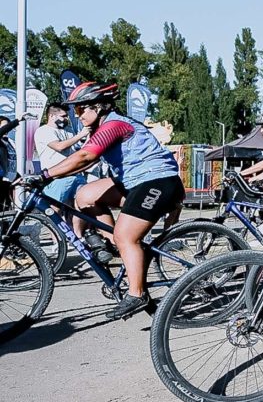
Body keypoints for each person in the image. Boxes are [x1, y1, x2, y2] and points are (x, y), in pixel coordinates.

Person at [24, 82, 184, 320]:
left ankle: (137, 293)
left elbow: (85, 156)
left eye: (80, 110)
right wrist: (50, 177)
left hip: (158, 181)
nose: (76, 116)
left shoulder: (114, 124)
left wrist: (45, 175)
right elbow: (87, 161)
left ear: (98, 107)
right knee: (85, 197)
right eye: (74, 111)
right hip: (134, 181)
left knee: (127, 236)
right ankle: (117, 247)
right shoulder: (100, 129)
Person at [33, 104, 90, 210]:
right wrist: (81, 135)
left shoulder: (68, 130)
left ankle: (76, 227)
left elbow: (77, 148)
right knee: (55, 208)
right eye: (63, 116)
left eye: (66, 116)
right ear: (51, 116)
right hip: (57, 177)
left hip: (75, 174)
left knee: (83, 206)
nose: (66, 119)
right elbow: (59, 146)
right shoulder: (44, 131)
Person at [0, 113, 29, 208]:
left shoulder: (9, 142)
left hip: (7, 181)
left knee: (6, 209)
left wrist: (18, 177)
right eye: (5, 126)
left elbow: (10, 162)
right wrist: (17, 120)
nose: (8, 129)